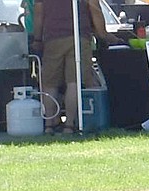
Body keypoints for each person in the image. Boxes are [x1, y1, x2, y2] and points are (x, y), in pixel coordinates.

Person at [30, 0, 109, 134]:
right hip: (79, 37)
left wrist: (37, 39)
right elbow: (94, 8)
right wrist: (103, 35)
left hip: (52, 38)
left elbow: (38, 13)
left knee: (50, 83)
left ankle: (49, 124)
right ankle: (69, 125)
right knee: (74, 82)